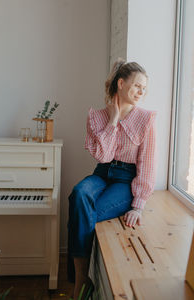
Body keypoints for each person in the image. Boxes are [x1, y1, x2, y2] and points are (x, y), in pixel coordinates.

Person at [67, 58, 157, 300]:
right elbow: (103, 155)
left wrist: (138, 205)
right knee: (79, 194)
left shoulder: (146, 119)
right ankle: (82, 278)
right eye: (137, 85)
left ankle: (80, 282)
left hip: (126, 180)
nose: (141, 92)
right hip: (102, 173)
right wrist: (114, 119)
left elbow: (147, 164)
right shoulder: (96, 117)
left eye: (144, 88)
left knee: (83, 213)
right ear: (121, 83)